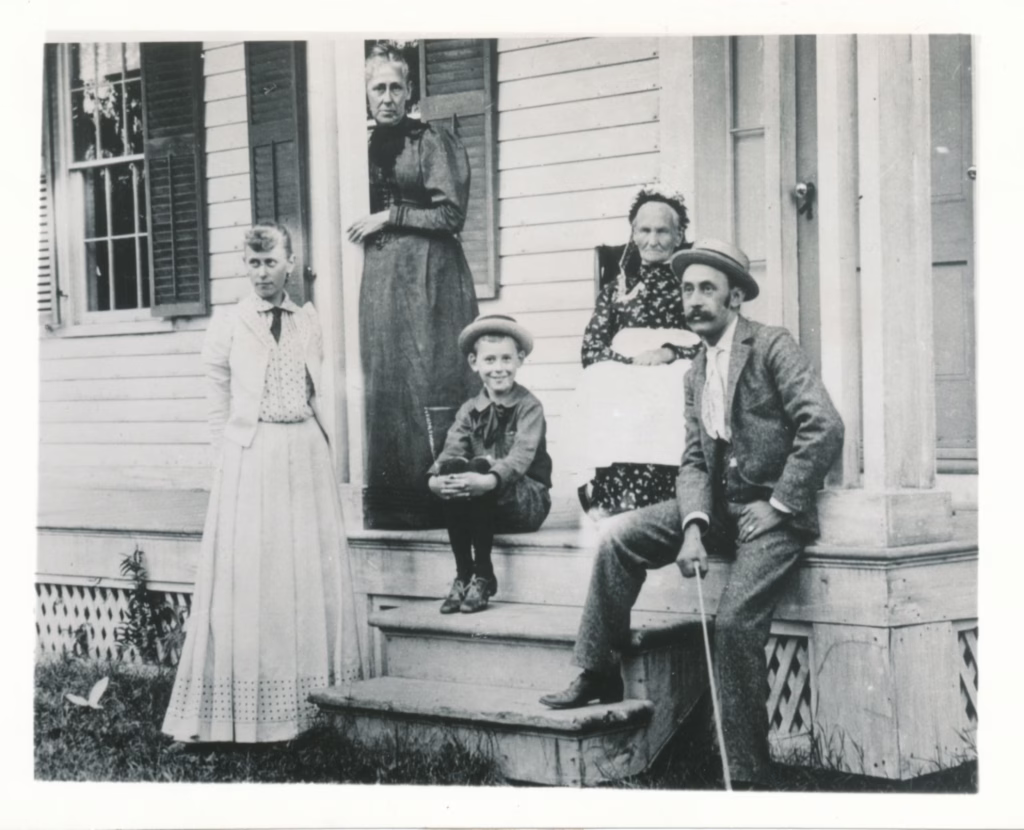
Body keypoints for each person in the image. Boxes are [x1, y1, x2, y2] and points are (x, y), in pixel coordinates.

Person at [539, 239, 844, 788]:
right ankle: (597, 668)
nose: (695, 300)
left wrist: (778, 505)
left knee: (731, 625)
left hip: (772, 516)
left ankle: (749, 772)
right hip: (720, 512)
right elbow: (694, 462)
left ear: (735, 297)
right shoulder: (695, 371)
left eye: (708, 288)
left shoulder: (772, 346)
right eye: (687, 289)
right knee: (619, 538)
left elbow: (823, 426)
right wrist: (694, 528)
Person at [162, 222, 361, 743]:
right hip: (251, 453)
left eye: (271, 262)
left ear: (290, 264)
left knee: (302, 572)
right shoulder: (231, 323)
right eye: (252, 263)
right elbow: (216, 394)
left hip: (304, 452)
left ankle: (310, 708)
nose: (262, 273)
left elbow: (320, 391)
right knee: (253, 574)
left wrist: (330, 448)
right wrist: (224, 452)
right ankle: (244, 713)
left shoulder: (307, 320)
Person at [347, 42, 479, 530]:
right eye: (377, 88)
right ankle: (395, 501)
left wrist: (390, 215)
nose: (386, 97)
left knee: (428, 376)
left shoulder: (430, 141)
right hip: (383, 280)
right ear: (365, 94)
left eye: (395, 88)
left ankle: (439, 498)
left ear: (409, 93)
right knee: (387, 383)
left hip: (431, 277)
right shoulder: (359, 149)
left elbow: (450, 213)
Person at [566, 186, 701, 518]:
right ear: (633, 233)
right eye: (645, 230)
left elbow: (712, 340)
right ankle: (614, 494)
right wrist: (629, 363)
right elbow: (592, 347)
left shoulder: (692, 284)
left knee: (676, 382)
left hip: (676, 362)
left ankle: (671, 497)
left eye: (662, 231)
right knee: (600, 378)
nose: (652, 239)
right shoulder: (617, 289)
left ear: (679, 234)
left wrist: (670, 352)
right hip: (623, 368)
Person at [427, 315, 552, 614]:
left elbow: (521, 457)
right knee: (453, 469)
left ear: (520, 359)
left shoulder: (529, 406)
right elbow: (450, 451)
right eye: (490, 359)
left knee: (480, 467)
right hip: (483, 507)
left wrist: (487, 478)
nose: (499, 368)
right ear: (474, 362)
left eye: (507, 358)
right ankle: (465, 574)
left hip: (524, 502)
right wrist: (434, 480)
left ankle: (483, 571)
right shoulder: (469, 410)